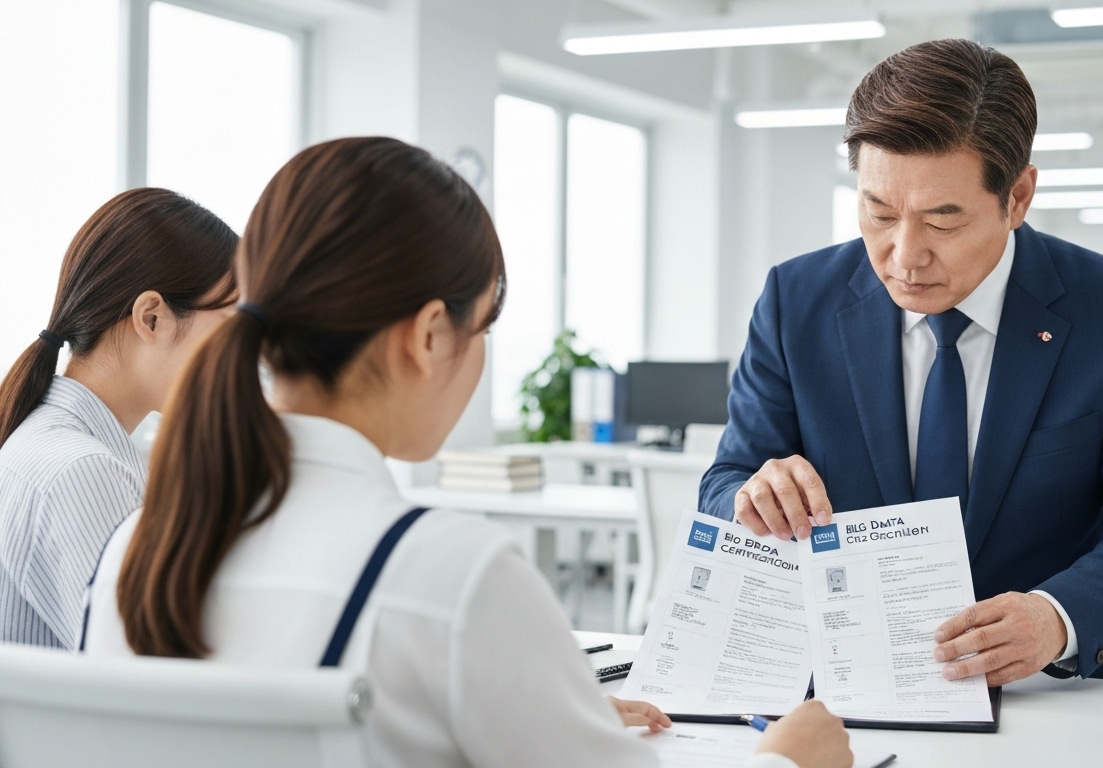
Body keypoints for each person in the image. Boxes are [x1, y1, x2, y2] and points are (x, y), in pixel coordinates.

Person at [83, 137, 850, 768]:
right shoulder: (453, 572)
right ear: (427, 336)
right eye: (482, 326)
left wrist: (554, 719)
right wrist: (783, 761)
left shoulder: (134, 549)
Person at [699, 39, 1103, 685]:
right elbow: (727, 478)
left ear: (1017, 197)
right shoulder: (796, 300)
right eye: (878, 212)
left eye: (943, 221)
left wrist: (1058, 618)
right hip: (846, 681)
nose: (904, 256)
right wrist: (751, 494)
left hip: (1051, 690)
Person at [0, 188, 236, 649]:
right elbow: (148, 678)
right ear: (151, 318)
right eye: (230, 329)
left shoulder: (53, 443)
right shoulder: (81, 472)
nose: (240, 358)